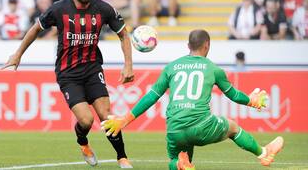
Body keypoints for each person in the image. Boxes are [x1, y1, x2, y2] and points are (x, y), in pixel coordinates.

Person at [2, 0, 134, 168]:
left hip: (92, 69)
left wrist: (128, 65)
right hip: (68, 74)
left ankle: (122, 157)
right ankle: (83, 142)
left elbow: (124, 34)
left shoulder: (103, 8)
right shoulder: (59, 9)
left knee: (106, 115)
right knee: (87, 121)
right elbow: (36, 28)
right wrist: (18, 54)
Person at [102, 30, 284, 170]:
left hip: (174, 129)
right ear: (207, 46)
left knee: (176, 161)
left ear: (188, 45)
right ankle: (263, 153)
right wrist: (252, 101)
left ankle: (179, 164)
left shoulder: (171, 67)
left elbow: (151, 96)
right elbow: (234, 95)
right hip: (201, 125)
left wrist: (126, 119)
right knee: (233, 127)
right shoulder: (213, 69)